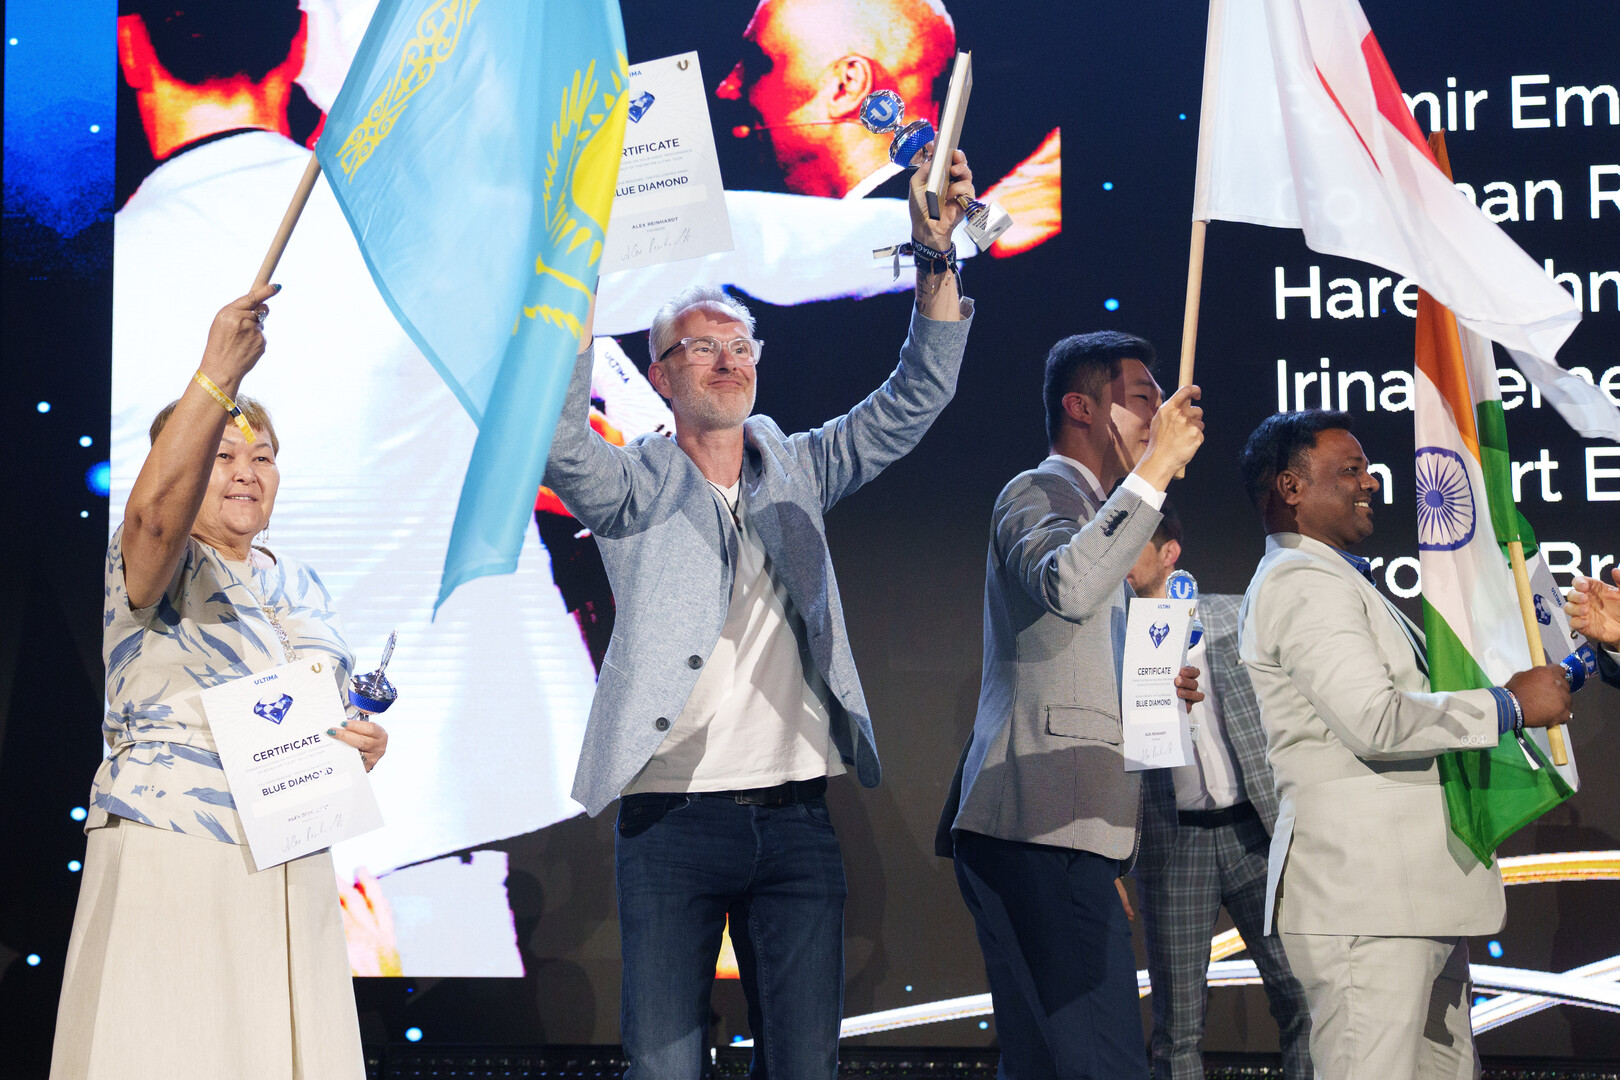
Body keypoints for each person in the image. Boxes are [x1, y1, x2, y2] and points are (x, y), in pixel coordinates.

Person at [542, 144, 975, 1080]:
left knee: (805, 1066)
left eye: (741, 345)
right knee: (664, 1065)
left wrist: (936, 259)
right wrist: (575, 283)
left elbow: (917, 396)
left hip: (796, 817)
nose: (729, 359)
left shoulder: (799, 468)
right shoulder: (633, 488)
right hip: (670, 819)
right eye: (702, 346)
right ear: (661, 375)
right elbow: (560, 441)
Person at [51, 288, 389, 1080]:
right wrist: (218, 373)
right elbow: (155, 517)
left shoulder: (299, 580)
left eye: (262, 457)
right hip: (177, 840)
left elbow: (317, 716)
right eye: (223, 455)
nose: (245, 473)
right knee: (173, 1046)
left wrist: (357, 744)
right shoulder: (155, 559)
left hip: (290, 853)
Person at [1235, 410, 1572, 1080]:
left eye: (1366, 469)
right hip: (1367, 904)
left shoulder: (1338, 580)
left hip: (1409, 900)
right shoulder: (1301, 581)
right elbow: (1375, 717)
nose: (1371, 482)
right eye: (1350, 470)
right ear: (1291, 488)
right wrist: (1507, 706)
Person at [936, 330, 1205, 1079]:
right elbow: (1068, 584)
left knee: (1046, 1066)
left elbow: (1083, 655)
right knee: (1104, 1064)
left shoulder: (1110, 517)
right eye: (1144, 396)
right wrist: (1155, 470)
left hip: (1073, 833)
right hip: (1040, 829)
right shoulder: (1037, 492)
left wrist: (1154, 686)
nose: (1165, 413)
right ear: (1082, 407)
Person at [1127, 505, 1311, 1080]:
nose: (1117, 559)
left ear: (1169, 553)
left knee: (1302, 998)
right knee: (1178, 1027)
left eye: (1133, 544)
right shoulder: (1111, 642)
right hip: (1173, 843)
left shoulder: (1236, 615)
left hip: (1255, 831)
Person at [715, 0, 1062, 254]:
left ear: (846, 86)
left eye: (756, 63)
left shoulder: (983, 225)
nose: (726, 87)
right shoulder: (983, 223)